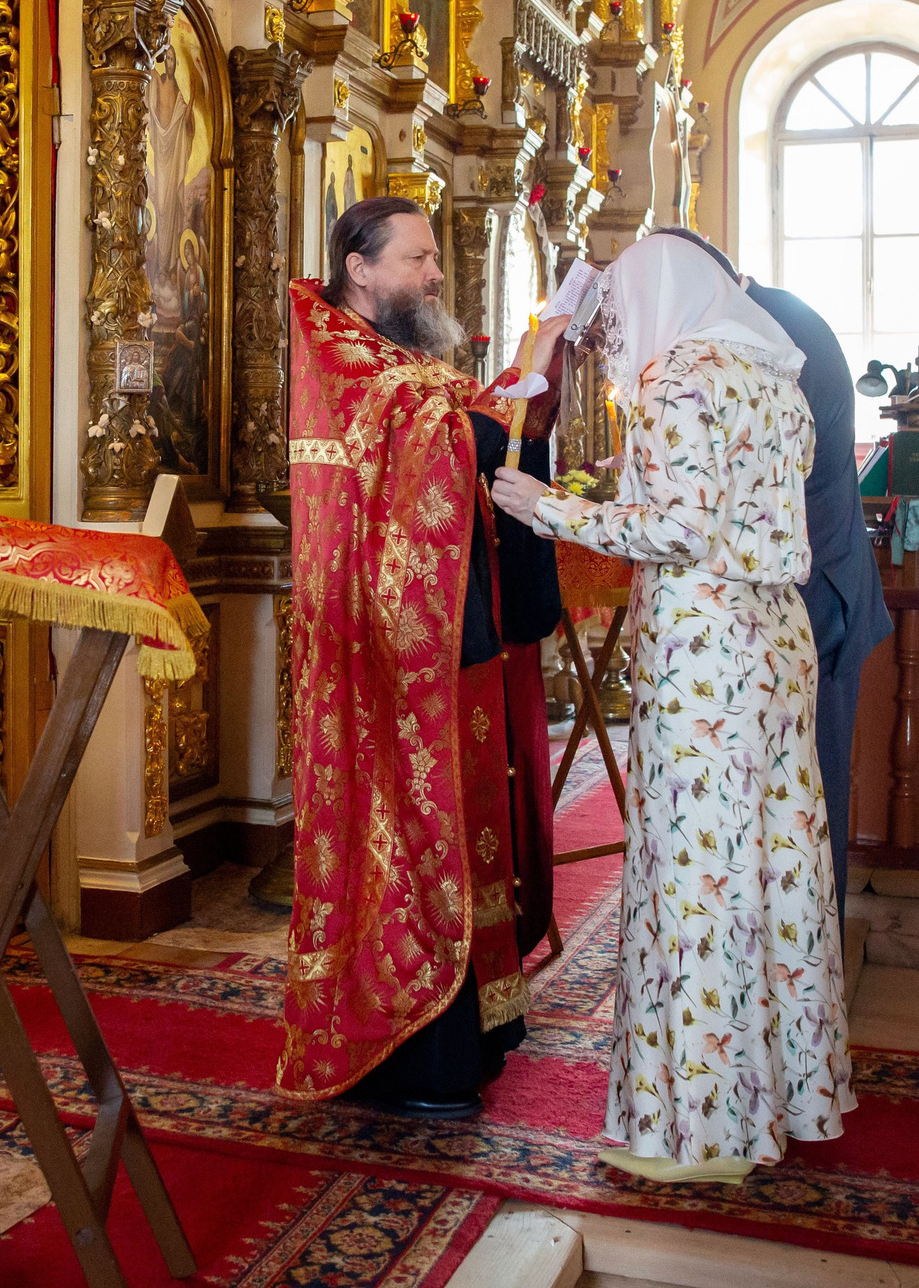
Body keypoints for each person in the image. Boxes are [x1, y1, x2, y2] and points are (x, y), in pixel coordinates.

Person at [490, 233, 852, 1184]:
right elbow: (739, 508)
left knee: (698, 873)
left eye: (617, 321)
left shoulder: (678, 376)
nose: (618, 342)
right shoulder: (772, 370)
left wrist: (546, 506)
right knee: (767, 859)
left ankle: (703, 1128)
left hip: (704, 654)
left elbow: (680, 529)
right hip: (774, 642)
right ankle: (776, 1098)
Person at [278, 196, 557, 1119]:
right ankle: (411, 1054)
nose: (435, 275)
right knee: (402, 840)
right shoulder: (338, 357)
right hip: (379, 660)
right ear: (360, 268)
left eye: (435, 258)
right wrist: (509, 403)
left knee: (464, 831)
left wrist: (519, 399)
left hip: (448, 632)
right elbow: (440, 444)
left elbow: (458, 426)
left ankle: (472, 1033)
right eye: (418, 258)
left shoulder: (405, 363)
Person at [744, 247, 890, 908]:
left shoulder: (776, 332)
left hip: (817, 595)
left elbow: (769, 476)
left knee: (813, 791)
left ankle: (817, 945)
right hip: (812, 583)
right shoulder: (771, 316)